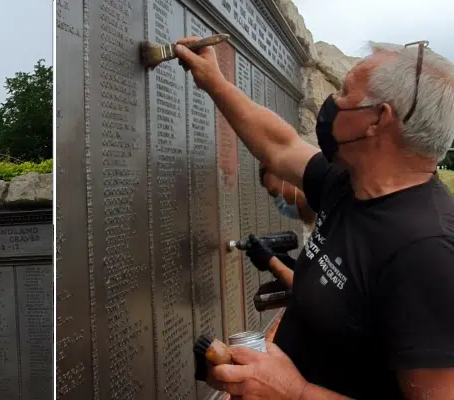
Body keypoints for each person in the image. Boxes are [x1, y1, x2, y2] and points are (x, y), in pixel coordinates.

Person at [175, 37, 454, 399]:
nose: (332, 102)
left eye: (344, 91)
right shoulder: (350, 181)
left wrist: (295, 392)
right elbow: (280, 146)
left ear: (377, 119)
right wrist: (213, 80)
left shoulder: (427, 253)